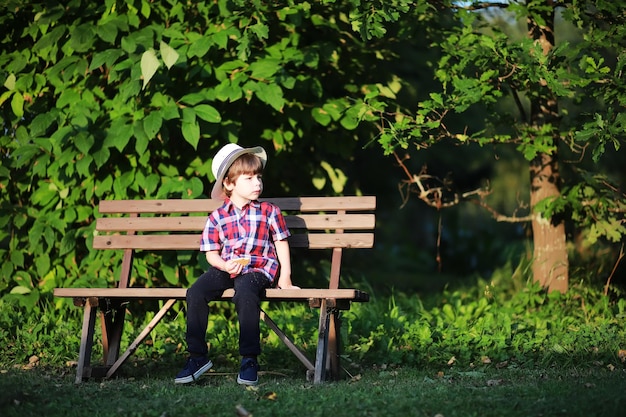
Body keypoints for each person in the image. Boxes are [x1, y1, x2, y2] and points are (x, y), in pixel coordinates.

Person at [175, 143, 299, 385]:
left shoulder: (269, 211)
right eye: (249, 178)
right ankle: (197, 356)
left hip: (258, 269)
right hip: (227, 267)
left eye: (259, 177)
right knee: (196, 292)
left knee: (245, 292)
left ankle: (249, 358)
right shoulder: (217, 217)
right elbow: (211, 253)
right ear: (229, 184)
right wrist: (223, 265)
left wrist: (285, 278)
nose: (257, 183)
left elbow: (281, 243)